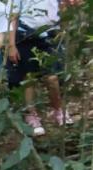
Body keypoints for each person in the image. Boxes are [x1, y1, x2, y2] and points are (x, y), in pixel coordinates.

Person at [7, 0, 73, 137]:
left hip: (50, 36)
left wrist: (64, 30)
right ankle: (31, 115)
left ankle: (58, 110)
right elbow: (13, 17)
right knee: (29, 77)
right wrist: (11, 45)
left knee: (52, 77)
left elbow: (64, 7)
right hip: (26, 36)